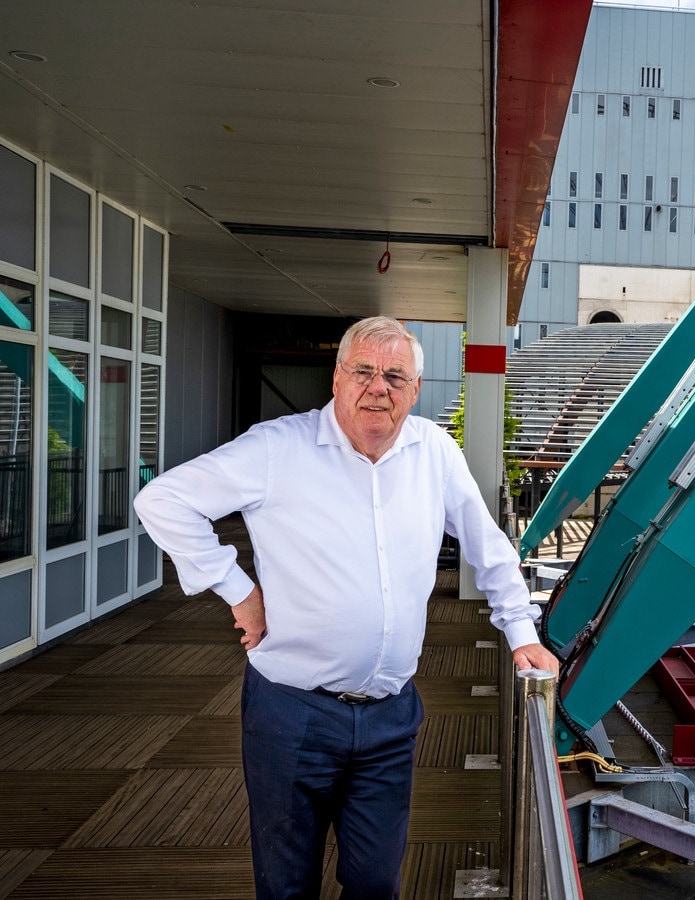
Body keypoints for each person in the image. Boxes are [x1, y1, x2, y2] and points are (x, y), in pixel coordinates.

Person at [134, 316, 560, 899]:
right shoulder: (277, 448)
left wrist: (522, 634)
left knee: (375, 882)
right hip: (291, 715)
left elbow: (489, 549)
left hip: (390, 718)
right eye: (362, 370)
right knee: (287, 885)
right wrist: (241, 592)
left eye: (394, 375)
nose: (377, 386)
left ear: (414, 390)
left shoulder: (433, 451)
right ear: (337, 379)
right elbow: (163, 501)